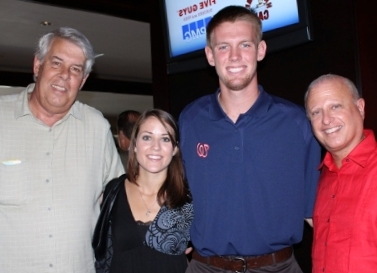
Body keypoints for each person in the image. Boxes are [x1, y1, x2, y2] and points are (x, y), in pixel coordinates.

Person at [178, 5, 321, 273]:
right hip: (205, 267)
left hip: (277, 267)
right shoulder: (190, 119)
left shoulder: (296, 123)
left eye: (244, 44)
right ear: (210, 55)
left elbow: (316, 214)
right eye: (223, 47)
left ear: (261, 50)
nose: (234, 56)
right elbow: (178, 191)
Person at [0, 27, 124, 273]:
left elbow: (121, 202)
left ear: (83, 80)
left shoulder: (97, 127)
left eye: (75, 69)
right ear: (38, 66)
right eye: (56, 63)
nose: (65, 75)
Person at [93, 109, 193, 273]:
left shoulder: (188, 195)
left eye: (165, 139)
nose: (155, 147)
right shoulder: (114, 191)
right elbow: (103, 252)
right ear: (134, 145)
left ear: (175, 149)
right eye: (147, 137)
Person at [305, 74, 377, 273]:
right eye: (316, 112)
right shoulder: (321, 178)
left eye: (335, 106)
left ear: (360, 108)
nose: (327, 120)